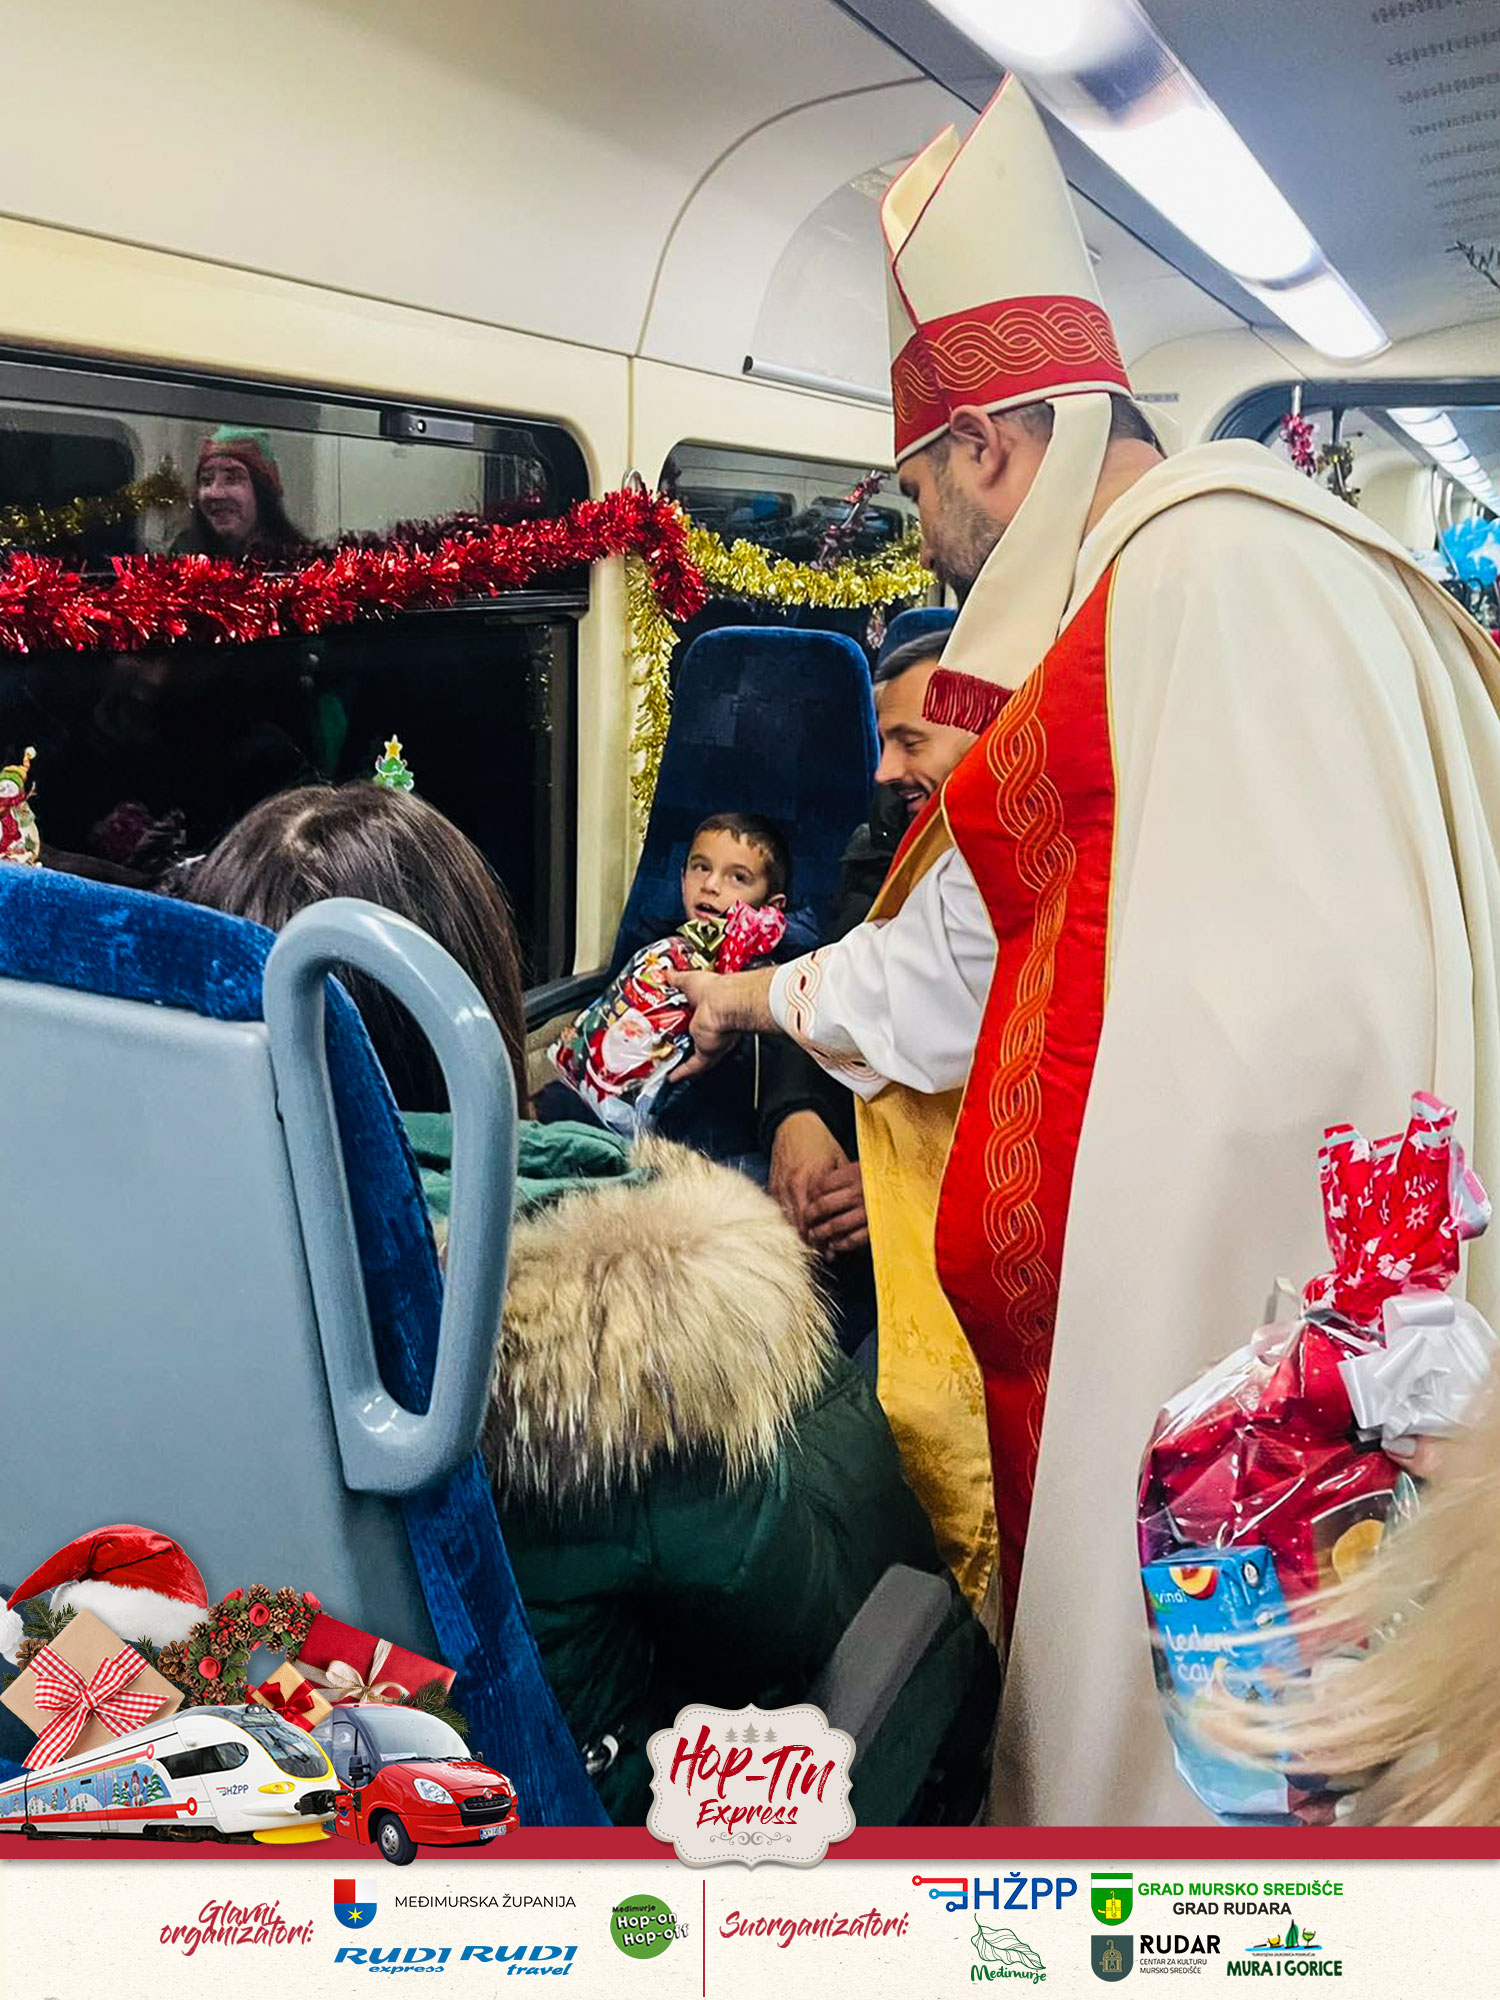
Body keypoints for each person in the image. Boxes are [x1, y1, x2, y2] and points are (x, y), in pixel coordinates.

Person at [674, 77, 1500, 1826]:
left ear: (992, 443)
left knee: (1199, 1771)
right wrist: (752, 995)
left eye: (925, 490)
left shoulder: (1163, 604)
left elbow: (1020, 994)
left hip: (1245, 1330)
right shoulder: (1324, 566)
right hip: (1410, 1274)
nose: (930, 540)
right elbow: (991, 959)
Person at [185, 778, 999, 1826]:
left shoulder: (159, 1262)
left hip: (257, 1781)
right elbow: (800, 1613)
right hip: (558, 1820)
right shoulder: (621, 1321)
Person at [760, 636, 977, 1329]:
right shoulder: (888, 834)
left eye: (910, 742)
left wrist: (902, 1187)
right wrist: (796, 1113)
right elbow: (836, 969)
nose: (885, 771)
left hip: (958, 1217)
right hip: (847, 1174)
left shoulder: (1040, 874)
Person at [172, 427, 306, 558]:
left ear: (263, 492)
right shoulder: (184, 554)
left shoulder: (300, 561)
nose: (215, 493)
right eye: (206, 480)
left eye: (232, 479)